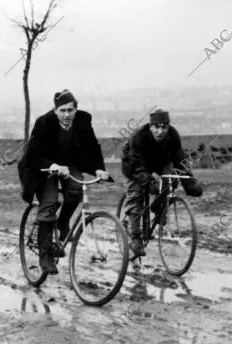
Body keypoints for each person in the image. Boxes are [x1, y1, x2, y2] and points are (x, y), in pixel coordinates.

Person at [19, 89, 110, 274]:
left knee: (76, 190)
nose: (67, 115)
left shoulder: (84, 120)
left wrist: (99, 168)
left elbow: (93, 146)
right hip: (43, 167)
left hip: (70, 164)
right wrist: (53, 165)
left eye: (70, 110)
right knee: (50, 202)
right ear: (55, 111)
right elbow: (32, 154)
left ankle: (63, 223)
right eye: (62, 110)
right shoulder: (43, 123)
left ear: (76, 109)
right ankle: (45, 256)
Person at [121, 108, 203, 257]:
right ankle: (135, 238)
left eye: (164, 127)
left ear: (168, 126)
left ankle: (158, 206)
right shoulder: (138, 136)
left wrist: (190, 183)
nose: (160, 131)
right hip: (135, 164)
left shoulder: (172, 135)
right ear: (150, 126)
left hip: (159, 162)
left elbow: (180, 160)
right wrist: (149, 175)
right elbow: (137, 162)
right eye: (157, 127)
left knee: (171, 179)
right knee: (136, 195)